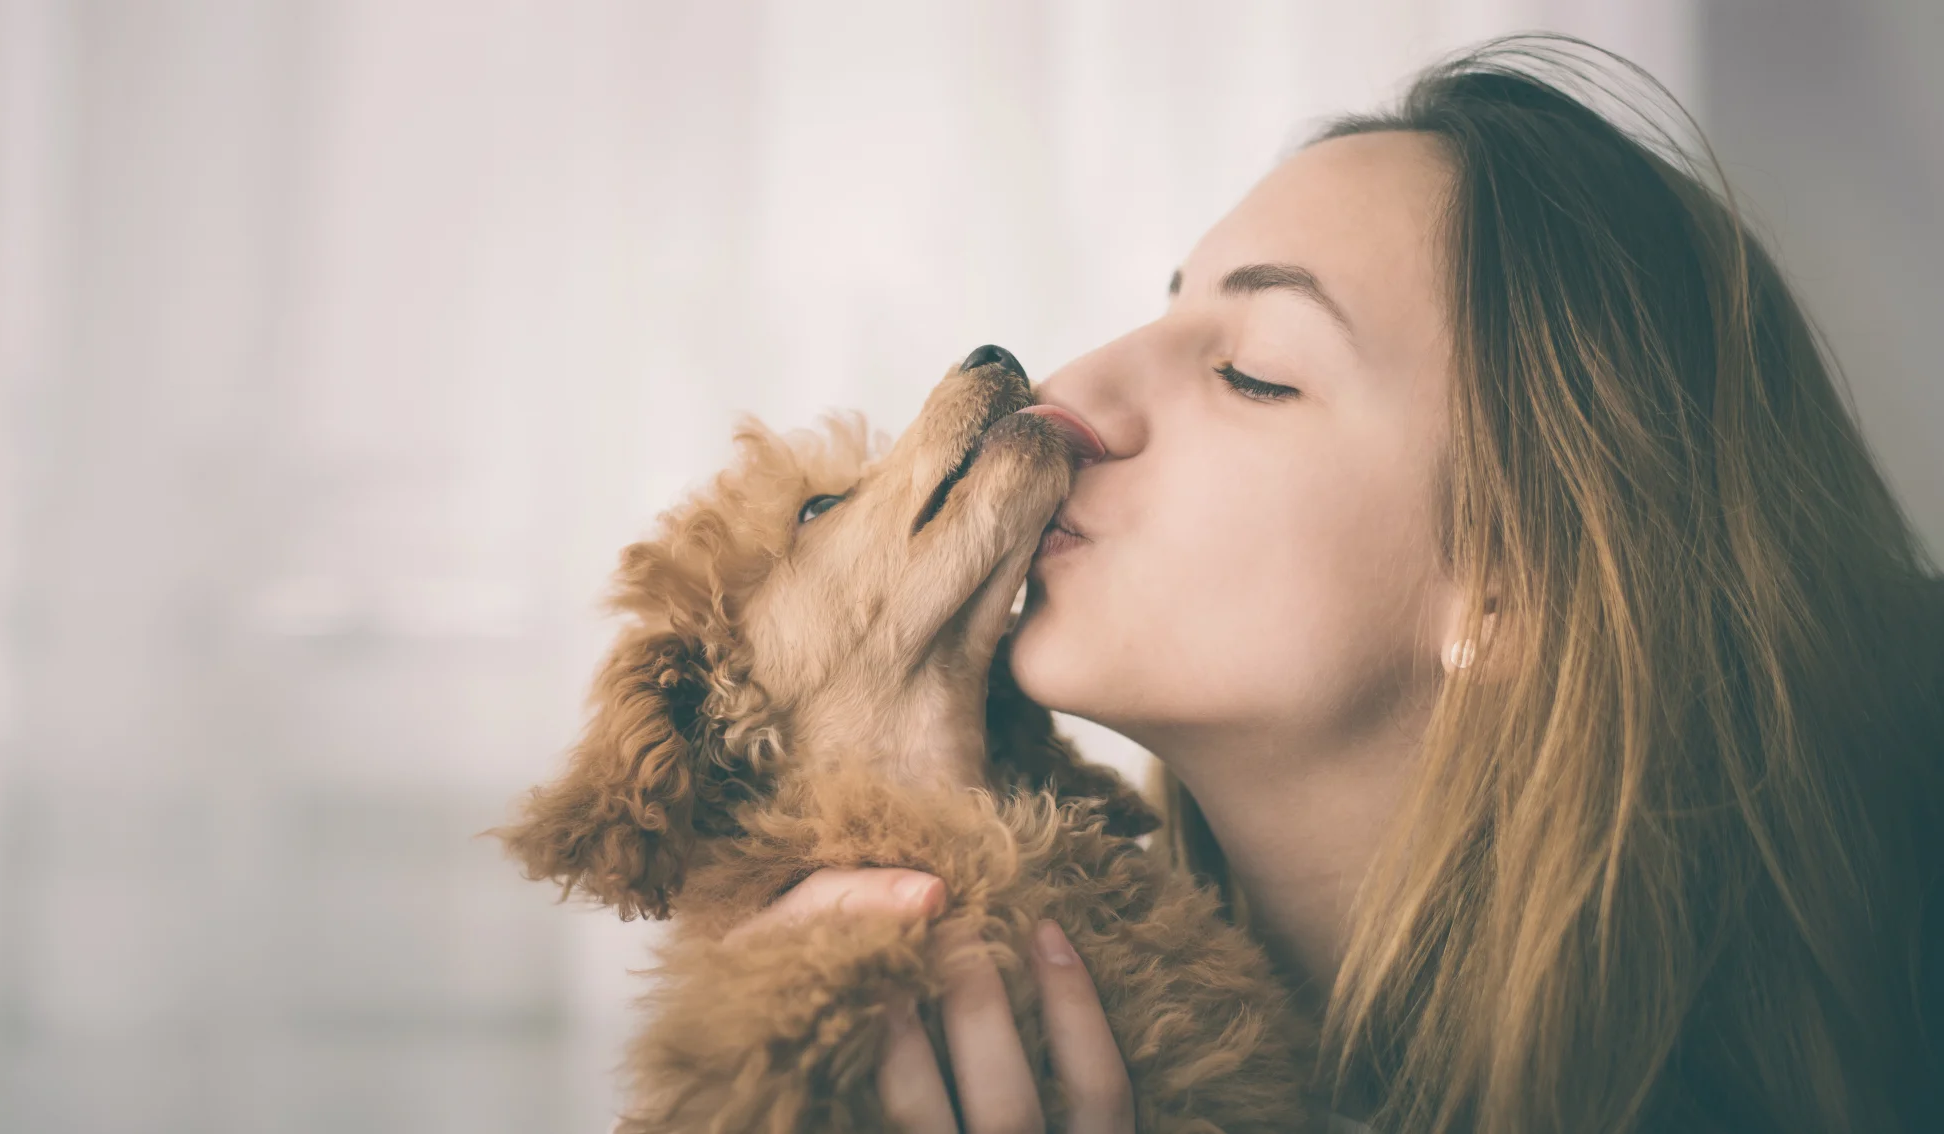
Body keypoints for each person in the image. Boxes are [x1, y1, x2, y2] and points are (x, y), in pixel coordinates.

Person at [732, 35, 1944, 1134]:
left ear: (1507, 588)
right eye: (1158, 312)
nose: (1068, 394)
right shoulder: (945, 1007)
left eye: (1256, 373)